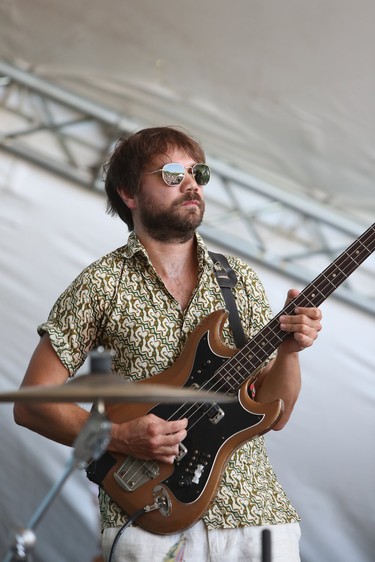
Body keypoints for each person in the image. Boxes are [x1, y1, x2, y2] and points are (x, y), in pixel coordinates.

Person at [14, 126, 322, 562]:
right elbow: (31, 404)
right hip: (148, 518)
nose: (192, 183)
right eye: (173, 173)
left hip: (255, 515)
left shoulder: (239, 280)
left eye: (198, 173)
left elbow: (277, 414)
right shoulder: (101, 284)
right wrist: (120, 436)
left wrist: (290, 352)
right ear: (130, 193)